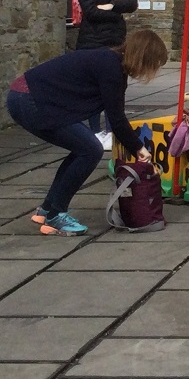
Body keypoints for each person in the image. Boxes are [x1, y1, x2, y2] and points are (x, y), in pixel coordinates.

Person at [6, 29, 167, 236]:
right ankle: (56, 216)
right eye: (154, 65)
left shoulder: (112, 63)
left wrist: (134, 146)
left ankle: (48, 209)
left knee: (82, 148)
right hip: (30, 100)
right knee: (91, 150)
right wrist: (138, 148)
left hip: (26, 96)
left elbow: (115, 114)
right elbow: (117, 119)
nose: (152, 72)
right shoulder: (111, 67)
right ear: (144, 57)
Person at [75, 0, 139, 149]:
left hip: (116, 42)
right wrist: (116, 11)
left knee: (117, 87)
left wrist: (111, 6)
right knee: (94, 88)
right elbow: (91, 12)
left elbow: (133, 3)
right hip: (92, 43)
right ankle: (95, 131)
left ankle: (114, 130)